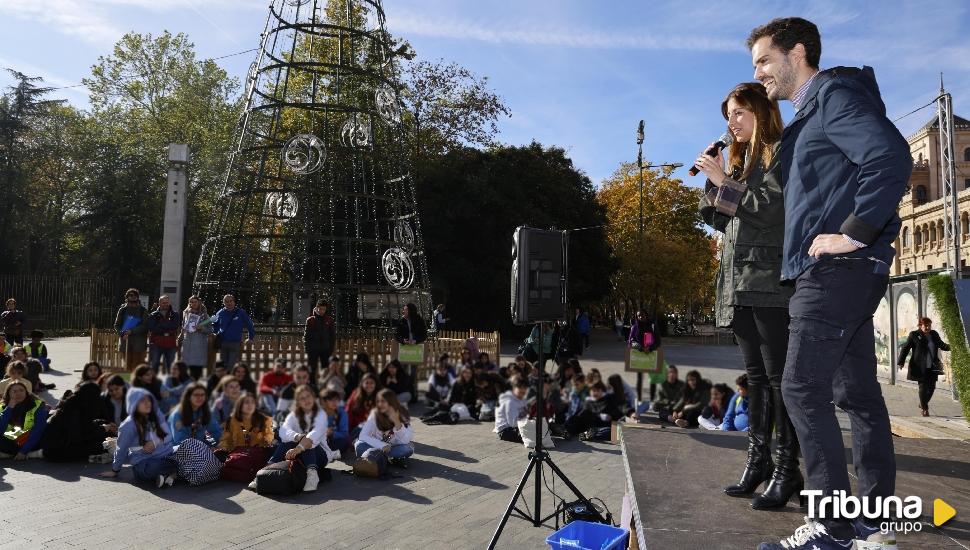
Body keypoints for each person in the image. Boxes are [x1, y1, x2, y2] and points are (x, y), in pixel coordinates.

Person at [749, 17, 910, 549]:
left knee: (800, 387)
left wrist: (853, 234)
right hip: (843, 274)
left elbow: (889, 156)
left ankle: (830, 527)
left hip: (837, 271)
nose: (760, 74)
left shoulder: (835, 97)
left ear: (797, 53)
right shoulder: (810, 116)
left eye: (765, 62)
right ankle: (875, 519)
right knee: (858, 395)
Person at [696, 80, 797, 510]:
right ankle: (756, 463)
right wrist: (713, 182)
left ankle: (787, 469)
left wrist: (726, 183)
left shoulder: (780, 153)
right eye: (728, 116)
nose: (731, 123)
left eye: (739, 113)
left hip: (769, 281)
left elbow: (773, 209)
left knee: (778, 382)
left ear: (760, 111)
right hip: (737, 283)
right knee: (755, 380)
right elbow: (721, 221)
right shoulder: (737, 163)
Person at [100, 387, 177, 488]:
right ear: (134, 404)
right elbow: (121, 449)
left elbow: (169, 435)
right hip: (145, 462)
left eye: (148, 400)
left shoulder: (156, 414)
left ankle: (169, 474)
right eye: (142, 401)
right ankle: (175, 472)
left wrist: (155, 442)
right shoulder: (128, 426)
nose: (147, 403)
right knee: (152, 468)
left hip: (166, 454)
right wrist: (115, 470)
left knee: (188, 446)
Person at [270, 384, 333, 492]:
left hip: (320, 455)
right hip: (299, 454)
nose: (306, 400)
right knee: (288, 440)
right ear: (298, 402)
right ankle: (268, 468)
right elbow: (283, 431)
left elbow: (314, 435)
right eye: (302, 398)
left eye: (308, 396)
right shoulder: (293, 415)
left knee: (309, 442)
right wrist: (297, 436)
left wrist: (298, 447)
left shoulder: (321, 414)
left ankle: (312, 475)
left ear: (313, 397)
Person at [42, 381, 111, 462]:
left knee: (104, 439)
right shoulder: (74, 412)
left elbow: (86, 426)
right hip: (58, 450)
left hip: (60, 444)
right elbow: (79, 437)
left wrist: (103, 423)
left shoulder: (75, 405)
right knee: (102, 445)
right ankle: (90, 458)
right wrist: (102, 429)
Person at [897, 317, 950, 417]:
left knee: (932, 388)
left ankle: (922, 403)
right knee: (923, 387)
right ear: (920, 325)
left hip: (932, 366)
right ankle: (925, 408)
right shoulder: (914, 335)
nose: (928, 327)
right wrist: (901, 361)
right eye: (925, 325)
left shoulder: (934, 334)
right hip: (919, 366)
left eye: (929, 325)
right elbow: (905, 348)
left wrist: (954, 347)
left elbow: (942, 345)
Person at [353, 388, 414, 475]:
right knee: (359, 446)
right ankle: (389, 459)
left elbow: (406, 440)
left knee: (407, 449)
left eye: (383, 401)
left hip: (393, 447)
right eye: (378, 401)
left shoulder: (401, 414)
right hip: (376, 446)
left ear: (391, 401)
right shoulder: (375, 414)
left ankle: (380, 458)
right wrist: (382, 445)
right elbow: (363, 435)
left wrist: (397, 422)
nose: (380, 404)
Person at [0, 380, 48, 459]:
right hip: (14, 440)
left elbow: (38, 429)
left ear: (26, 392)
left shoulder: (37, 405)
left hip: (33, 440)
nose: (18, 393)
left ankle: (22, 453)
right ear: (8, 394)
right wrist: (9, 408)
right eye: (14, 391)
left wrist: (23, 451)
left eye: (21, 390)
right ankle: (16, 453)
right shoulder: (3, 406)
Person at [211, 294, 255, 372]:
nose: (229, 303)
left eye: (231, 301)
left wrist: (250, 337)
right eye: (226, 301)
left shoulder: (241, 313)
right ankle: (224, 381)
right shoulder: (220, 313)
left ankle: (229, 380)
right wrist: (216, 332)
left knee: (231, 365)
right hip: (223, 343)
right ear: (224, 303)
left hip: (235, 343)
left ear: (234, 302)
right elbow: (215, 324)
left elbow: (250, 325)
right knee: (223, 365)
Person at [628, 311, 661, 400]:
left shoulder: (653, 326)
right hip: (639, 355)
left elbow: (658, 342)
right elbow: (631, 341)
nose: (640, 317)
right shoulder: (634, 327)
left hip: (651, 354)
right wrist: (640, 347)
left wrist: (650, 348)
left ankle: (652, 399)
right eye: (638, 316)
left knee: (652, 378)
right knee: (639, 378)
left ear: (646, 315)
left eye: (642, 315)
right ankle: (639, 399)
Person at [114, 288, 149, 372]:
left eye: (134, 301)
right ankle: (128, 383)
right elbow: (116, 325)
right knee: (127, 366)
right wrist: (122, 333)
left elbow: (145, 326)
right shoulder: (122, 310)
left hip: (139, 344)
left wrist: (132, 331)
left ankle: (137, 383)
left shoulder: (143, 311)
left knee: (138, 367)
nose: (132, 303)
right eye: (130, 301)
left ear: (137, 299)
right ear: (126, 300)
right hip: (125, 343)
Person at [180, 295, 212, 381]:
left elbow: (210, 329)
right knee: (186, 368)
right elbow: (183, 327)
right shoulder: (186, 313)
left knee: (197, 369)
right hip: (188, 344)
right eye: (191, 302)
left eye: (195, 302)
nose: (193, 304)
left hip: (199, 345)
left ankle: (196, 385)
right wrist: (182, 334)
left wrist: (201, 328)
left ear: (199, 303)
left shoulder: (204, 315)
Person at [147, 295, 181, 375]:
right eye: (163, 303)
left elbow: (175, 326)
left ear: (169, 303)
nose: (165, 304)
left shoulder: (175, 314)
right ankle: (153, 382)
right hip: (156, 343)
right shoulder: (153, 315)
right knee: (154, 364)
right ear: (159, 303)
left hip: (170, 344)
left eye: (167, 303)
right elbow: (152, 328)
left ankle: (170, 383)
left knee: (171, 366)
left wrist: (160, 325)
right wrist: (167, 326)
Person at [303, 299, 336, 381]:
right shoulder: (310, 320)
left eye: (324, 309)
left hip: (325, 349)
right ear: (316, 308)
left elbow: (332, 336)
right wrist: (307, 348)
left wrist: (330, 348)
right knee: (312, 368)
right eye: (320, 309)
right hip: (313, 349)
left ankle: (325, 385)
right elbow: (306, 336)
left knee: (325, 368)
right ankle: (311, 383)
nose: (322, 311)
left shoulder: (329, 320)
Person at [494, 376, 530, 443]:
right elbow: (513, 423)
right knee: (532, 437)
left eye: (524, 388)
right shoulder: (510, 402)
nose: (523, 390)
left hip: (516, 427)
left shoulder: (521, 398)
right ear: (514, 388)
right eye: (519, 387)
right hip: (505, 431)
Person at [345, 373, 379, 440]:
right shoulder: (356, 394)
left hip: (376, 428)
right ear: (362, 384)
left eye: (371, 383)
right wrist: (347, 432)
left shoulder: (380, 396)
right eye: (366, 383)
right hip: (358, 427)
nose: (369, 385)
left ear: (376, 384)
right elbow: (348, 412)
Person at [320, 389, 350, 453]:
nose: (334, 402)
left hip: (336, 440)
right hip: (321, 440)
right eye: (330, 399)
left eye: (336, 399)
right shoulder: (319, 413)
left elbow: (345, 433)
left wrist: (332, 433)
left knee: (342, 441)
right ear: (324, 401)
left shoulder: (342, 413)